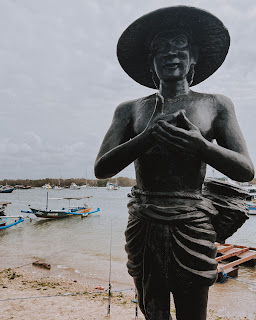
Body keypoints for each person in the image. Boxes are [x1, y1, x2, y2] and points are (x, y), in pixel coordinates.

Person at [94, 6, 254, 320]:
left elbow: (245, 169)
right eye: (160, 49)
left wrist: (201, 146)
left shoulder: (215, 104)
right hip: (145, 220)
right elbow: (102, 169)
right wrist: (146, 138)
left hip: (192, 222)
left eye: (179, 46)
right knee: (152, 309)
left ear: (193, 58)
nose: (171, 54)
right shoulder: (130, 110)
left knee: (193, 309)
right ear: (151, 63)